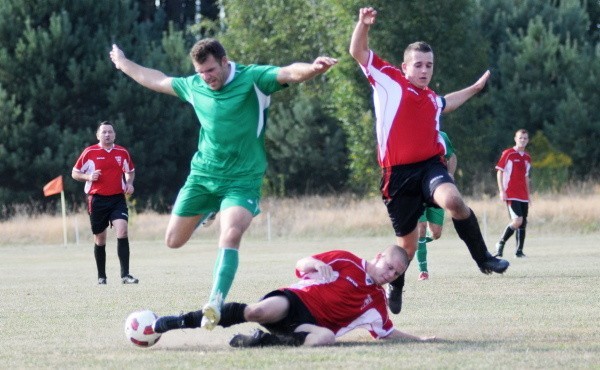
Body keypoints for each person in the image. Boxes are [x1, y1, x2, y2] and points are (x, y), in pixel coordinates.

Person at [109, 39, 337, 329]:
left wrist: (313, 69)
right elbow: (157, 79)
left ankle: (215, 300)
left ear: (225, 61)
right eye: (201, 71)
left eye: (211, 70)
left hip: (242, 180)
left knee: (230, 234)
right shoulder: (195, 85)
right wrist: (123, 63)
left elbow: (288, 72)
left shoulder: (252, 79)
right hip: (203, 176)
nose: (207, 77)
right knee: (173, 241)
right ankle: (207, 211)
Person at [349, 7, 509, 315]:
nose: (425, 70)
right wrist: (363, 25)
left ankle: (483, 258)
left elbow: (447, 103)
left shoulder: (432, 99)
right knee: (406, 249)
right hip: (396, 176)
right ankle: (397, 285)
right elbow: (357, 51)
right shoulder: (389, 80)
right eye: (419, 65)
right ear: (405, 67)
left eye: (429, 65)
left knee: (454, 201)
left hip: (429, 167)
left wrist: (475, 89)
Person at [151, 245, 436, 347]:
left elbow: (386, 332)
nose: (390, 274)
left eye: (396, 274)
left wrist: (420, 340)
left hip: (311, 326)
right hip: (295, 301)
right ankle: (179, 321)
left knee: (325, 339)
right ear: (378, 256)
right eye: (389, 266)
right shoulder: (347, 260)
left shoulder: (376, 302)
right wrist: (315, 264)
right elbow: (301, 265)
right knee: (256, 312)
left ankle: (264, 342)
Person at [72, 121, 138, 285]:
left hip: (117, 199)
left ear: (114, 134)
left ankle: (125, 275)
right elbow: (75, 172)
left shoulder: (122, 152)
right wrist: (88, 177)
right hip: (97, 200)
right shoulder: (90, 152)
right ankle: (102, 276)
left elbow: (130, 171)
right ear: (98, 135)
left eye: (110, 132)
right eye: (104, 132)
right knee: (100, 239)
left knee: (122, 231)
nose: (107, 135)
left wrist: (129, 183)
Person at [416, 131, 457, 281]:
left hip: (436, 189)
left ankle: (416, 242)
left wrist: (450, 175)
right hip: (416, 190)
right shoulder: (410, 134)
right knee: (421, 227)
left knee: (435, 234)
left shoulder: (441, 136)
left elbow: (451, 156)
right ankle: (423, 270)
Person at [494, 129, 531, 258]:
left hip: (523, 195)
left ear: (528, 140)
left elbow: (526, 177)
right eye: (520, 138)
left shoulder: (527, 157)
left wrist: (529, 195)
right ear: (515, 139)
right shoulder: (508, 153)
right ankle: (500, 243)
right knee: (517, 221)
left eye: (525, 138)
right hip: (511, 193)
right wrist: (501, 191)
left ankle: (519, 251)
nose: (523, 140)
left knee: (523, 222)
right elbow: (500, 171)